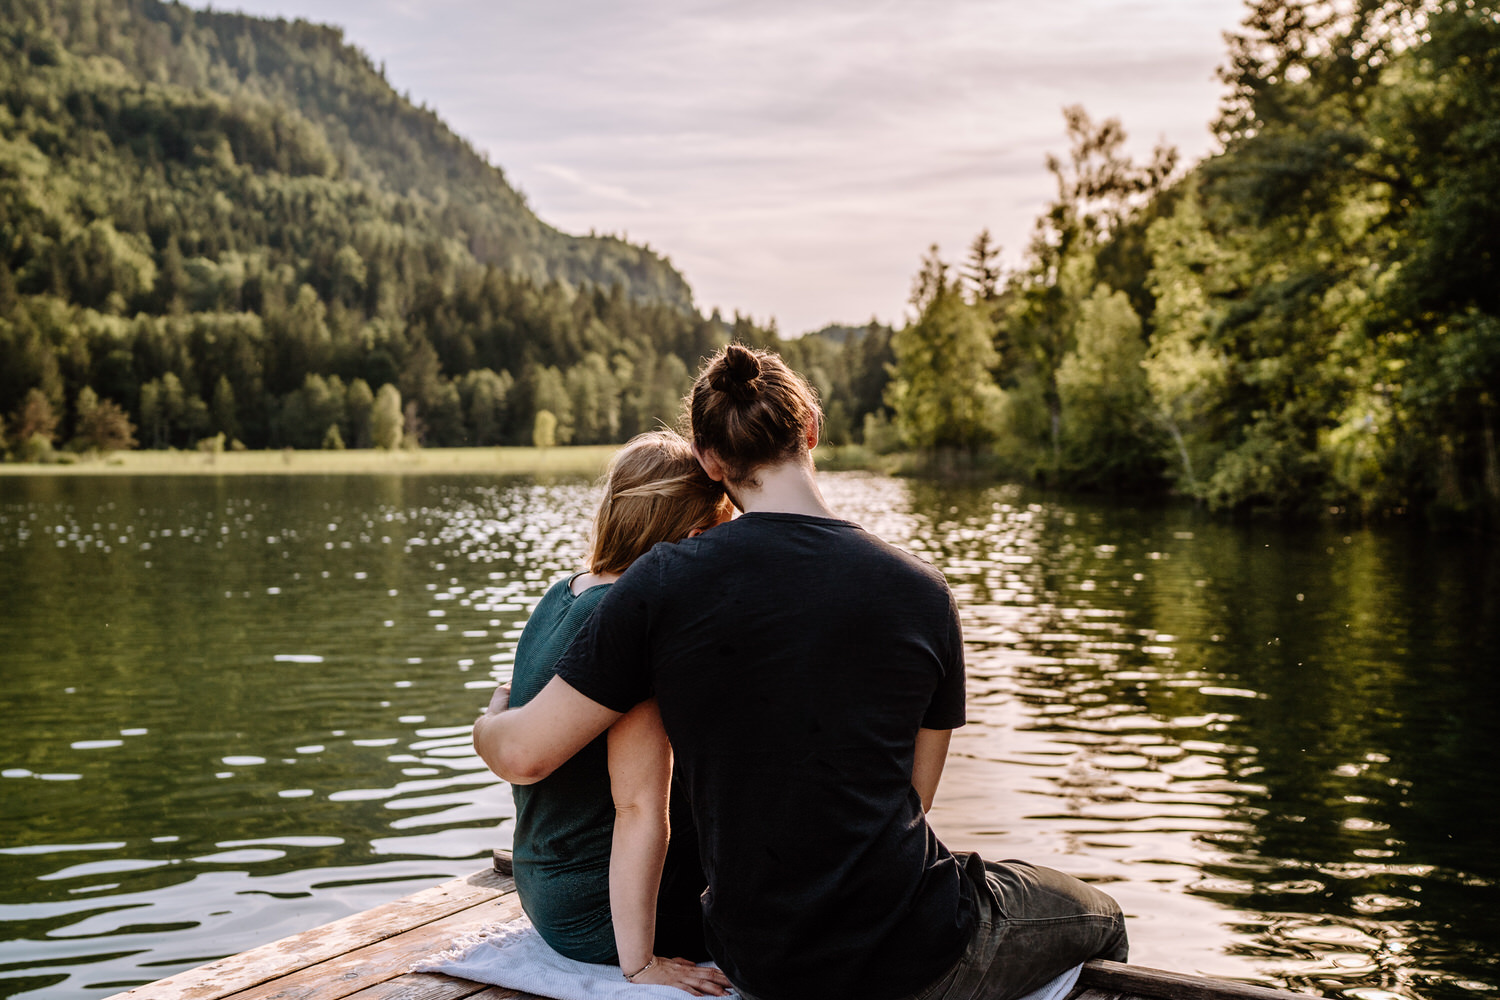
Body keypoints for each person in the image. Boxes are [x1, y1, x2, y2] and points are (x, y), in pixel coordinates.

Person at [474, 344, 1128, 1000]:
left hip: (755, 956)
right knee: (1099, 917)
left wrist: (489, 721)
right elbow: (911, 802)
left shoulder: (657, 584)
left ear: (708, 459)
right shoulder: (922, 593)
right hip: (909, 951)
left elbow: (530, 752)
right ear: (812, 427)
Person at [496, 430, 733, 996]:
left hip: (544, 889)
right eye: (721, 539)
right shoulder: (629, 622)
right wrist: (641, 965)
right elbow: (637, 807)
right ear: (693, 537)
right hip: (596, 914)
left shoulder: (564, 592)